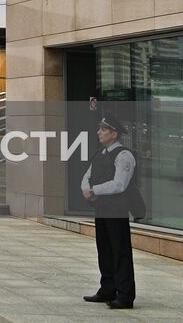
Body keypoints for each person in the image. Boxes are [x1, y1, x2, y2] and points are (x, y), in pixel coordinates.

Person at [81, 114, 141, 310]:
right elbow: (87, 175)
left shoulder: (124, 156)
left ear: (114, 134)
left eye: (103, 129)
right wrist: (86, 190)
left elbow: (119, 184)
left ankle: (125, 296)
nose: (99, 132)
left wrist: (95, 191)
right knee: (104, 250)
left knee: (120, 252)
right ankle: (107, 289)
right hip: (102, 209)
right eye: (99, 129)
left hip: (117, 210)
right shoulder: (101, 153)